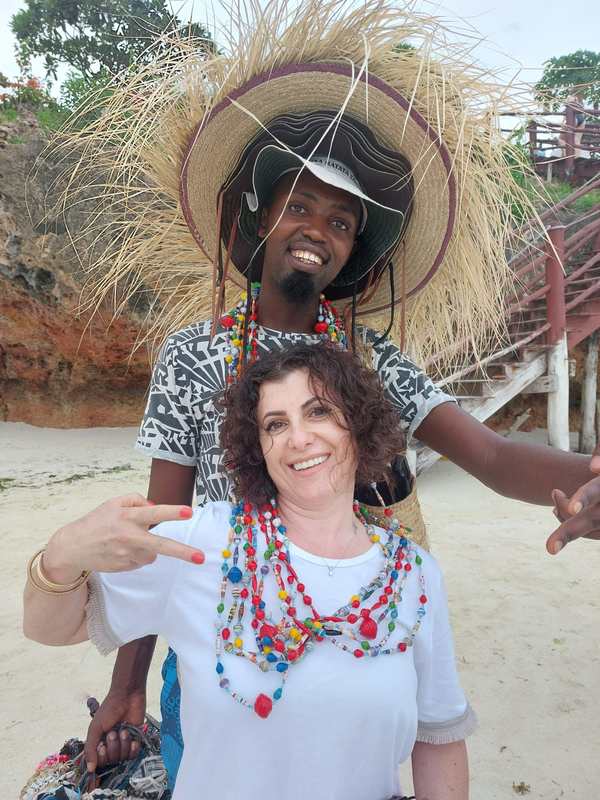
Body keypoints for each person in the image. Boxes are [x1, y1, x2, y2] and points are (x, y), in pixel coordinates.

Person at [48, 0, 600, 786]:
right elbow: (160, 529)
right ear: (260, 220)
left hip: (352, 639)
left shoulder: (371, 362)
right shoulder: (192, 357)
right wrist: (126, 684)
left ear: (351, 254)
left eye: (341, 222)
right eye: (300, 206)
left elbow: (491, 454)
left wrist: (587, 477)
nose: (318, 228)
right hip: (222, 644)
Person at [24, 342, 475, 800]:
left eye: (318, 411)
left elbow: (438, 738)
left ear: (358, 424)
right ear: (258, 449)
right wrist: (60, 556)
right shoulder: (202, 541)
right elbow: (50, 628)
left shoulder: (413, 573)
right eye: (275, 424)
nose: (298, 438)